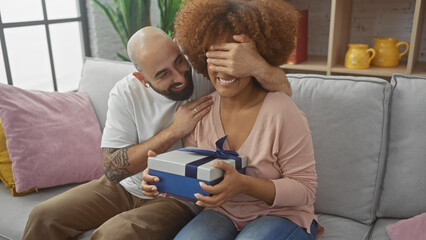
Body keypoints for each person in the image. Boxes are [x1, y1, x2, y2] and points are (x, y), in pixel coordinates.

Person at [22, 25, 292, 239]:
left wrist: (255, 63)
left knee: (115, 235)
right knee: (44, 215)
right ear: (142, 79)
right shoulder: (125, 93)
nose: (179, 77)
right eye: (163, 75)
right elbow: (112, 168)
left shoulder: (202, 73)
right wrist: (174, 130)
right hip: (127, 187)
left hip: (178, 197)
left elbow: (283, 91)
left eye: (178, 61)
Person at [142, 0, 324, 239]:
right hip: (221, 214)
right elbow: (199, 186)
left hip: (282, 215)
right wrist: (162, 181)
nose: (225, 69)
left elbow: (306, 190)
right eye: (216, 55)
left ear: (256, 58)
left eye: (234, 57)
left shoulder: (281, 111)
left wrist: (244, 184)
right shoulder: (202, 113)